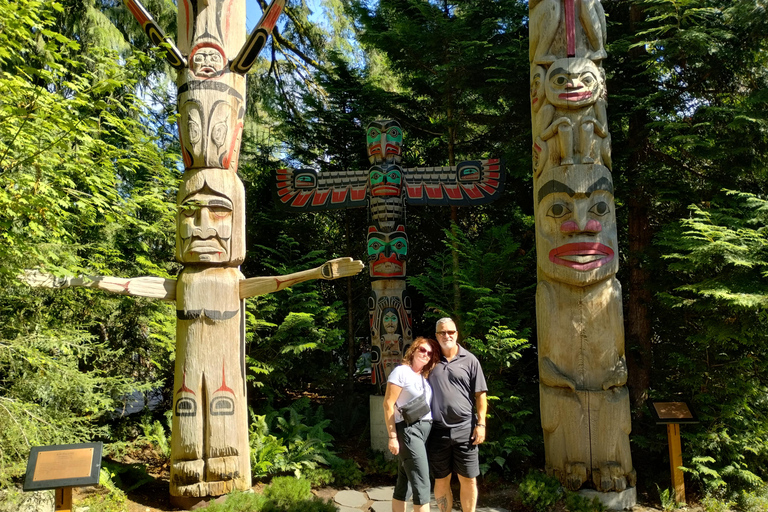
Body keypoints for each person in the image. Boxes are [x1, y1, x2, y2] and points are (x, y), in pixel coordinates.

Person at [428, 318, 488, 512]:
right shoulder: (429, 361)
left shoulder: (470, 360)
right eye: (442, 333)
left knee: (468, 479)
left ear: (457, 334)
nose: (447, 336)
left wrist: (481, 425)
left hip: (466, 430)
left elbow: (481, 395)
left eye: (451, 332)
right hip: (437, 431)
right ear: (436, 336)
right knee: (441, 479)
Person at [383, 336, 440, 512]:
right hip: (409, 431)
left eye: (429, 353)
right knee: (422, 482)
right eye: (422, 349)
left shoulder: (423, 377)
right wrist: (392, 436)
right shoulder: (401, 372)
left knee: (404, 481)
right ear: (413, 350)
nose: (425, 354)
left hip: (422, 433)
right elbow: (388, 404)